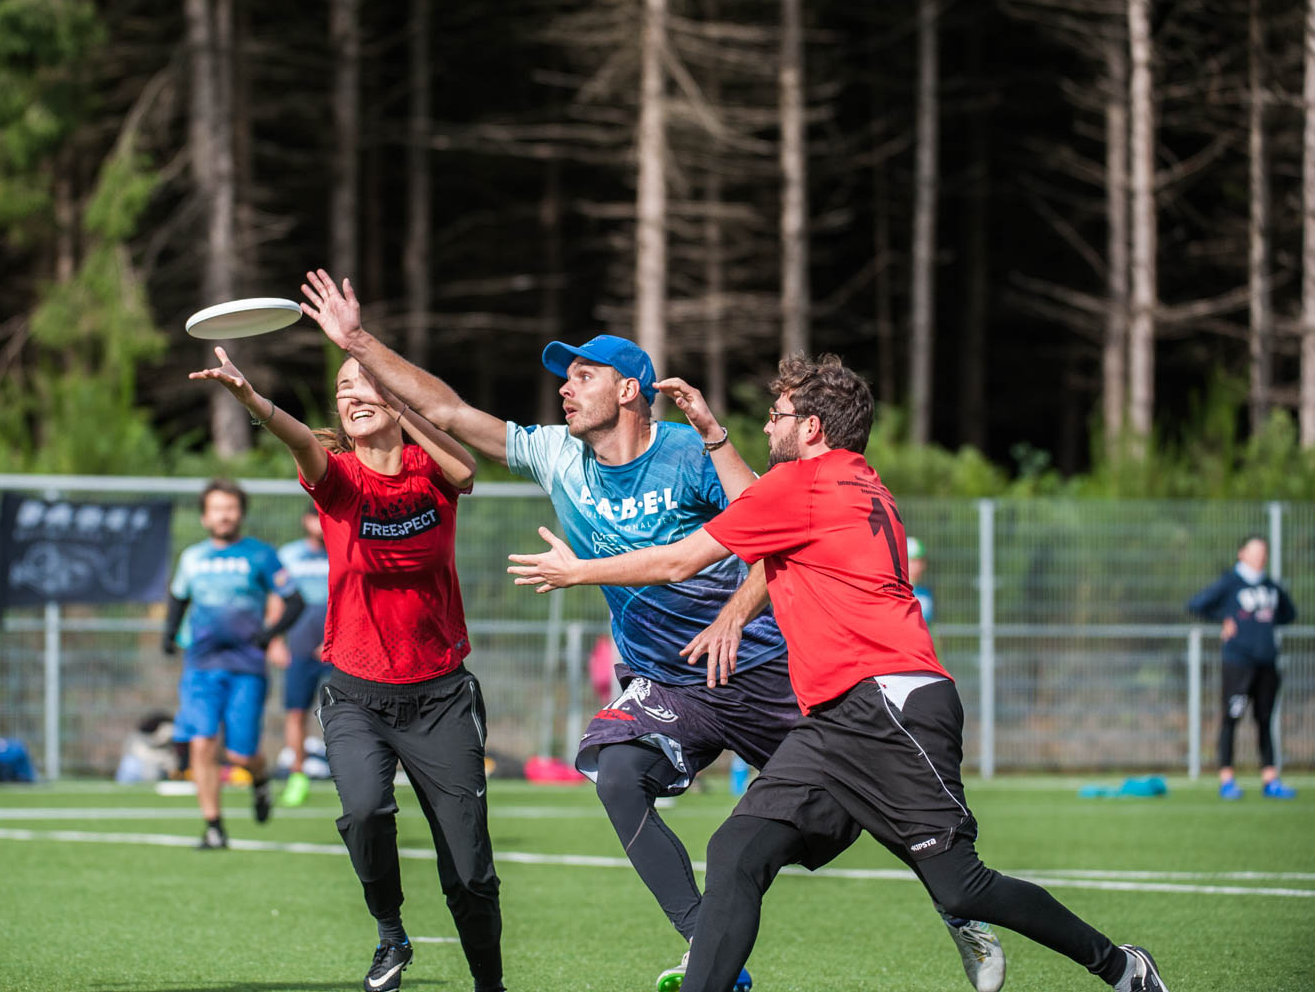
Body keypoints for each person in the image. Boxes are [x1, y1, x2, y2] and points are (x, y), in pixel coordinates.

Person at [298, 270, 1005, 992]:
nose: (565, 389)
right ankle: (707, 948)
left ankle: (960, 903)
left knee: (872, 797)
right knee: (616, 772)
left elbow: (774, 531)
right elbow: (446, 407)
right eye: (564, 378)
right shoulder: (556, 455)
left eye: (582, 375)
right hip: (669, 681)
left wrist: (735, 612)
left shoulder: (687, 454)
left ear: (628, 389)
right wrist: (356, 340)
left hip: (760, 669)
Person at [508, 352, 1172, 992]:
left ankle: (1122, 968)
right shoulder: (855, 479)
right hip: (835, 717)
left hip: (892, 704)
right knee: (737, 847)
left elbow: (683, 560)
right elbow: (765, 533)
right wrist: (713, 444)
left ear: (812, 428)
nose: (767, 425)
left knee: (960, 883)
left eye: (777, 415)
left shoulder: (803, 484)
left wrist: (580, 570)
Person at [190, 343, 502, 992]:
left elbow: (467, 470)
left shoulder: (429, 469)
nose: (352, 397)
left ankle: (489, 983)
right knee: (363, 811)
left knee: (469, 866)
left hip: (441, 693)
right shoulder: (337, 479)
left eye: (365, 385)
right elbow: (301, 438)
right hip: (357, 692)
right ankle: (391, 932)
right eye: (343, 390)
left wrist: (406, 405)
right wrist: (252, 401)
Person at [163, 478, 305, 847]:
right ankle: (214, 827)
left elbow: (295, 601)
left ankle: (259, 780)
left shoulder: (260, 555)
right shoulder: (192, 558)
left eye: (230, 508)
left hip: (247, 667)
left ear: (240, 513)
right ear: (204, 516)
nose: (223, 515)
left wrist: (269, 634)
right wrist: (169, 635)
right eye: (216, 509)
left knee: (240, 753)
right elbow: (178, 599)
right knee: (202, 741)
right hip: (202, 664)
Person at [1186, 535, 1297, 800]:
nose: (1260, 557)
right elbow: (1196, 605)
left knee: (1265, 721)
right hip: (1238, 663)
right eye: (1255, 552)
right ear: (1242, 553)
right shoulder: (1231, 583)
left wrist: (1261, 628)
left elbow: (1289, 613)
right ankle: (1227, 779)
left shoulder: (1270, 586)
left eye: (1264, 552)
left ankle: (1270, 779)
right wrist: (1224, 619)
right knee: (1231, 719)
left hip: (1267, 663)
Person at [277, 504, 332, 806]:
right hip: (298, 645)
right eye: (315, 516)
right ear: (306, 520)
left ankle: (347, 772)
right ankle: (297, 775)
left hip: (339, 646)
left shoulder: (343, 549)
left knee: (346, 712)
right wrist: (275, 641)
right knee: (296, 712)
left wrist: (334, 638)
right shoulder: (288, 555)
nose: (320, 523)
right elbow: (277, 599)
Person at [908, 535, 935, 623]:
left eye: (921, 561)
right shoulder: (894, 593)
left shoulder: (926, 594)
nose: (919, 566)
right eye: (914, 561)